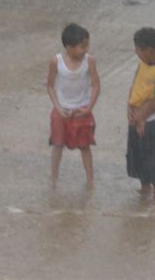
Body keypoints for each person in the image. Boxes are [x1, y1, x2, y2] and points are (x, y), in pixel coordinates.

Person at [47, 23, 100, 187]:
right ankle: (54, 178)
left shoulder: (89, 60)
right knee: (57, 145)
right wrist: (58, 107)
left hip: (82, 110)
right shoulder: (56, 61)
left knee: (85, 146)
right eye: (81, 46)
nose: (84, 50)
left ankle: (90, 180)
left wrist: (89, 108)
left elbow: (96, 85)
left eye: (86, 45)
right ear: (69, 47)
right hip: (61, 110)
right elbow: (50, 86)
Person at [126, 27, 155, 198]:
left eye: (138, 49)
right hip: (136, 115)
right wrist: (130, 108)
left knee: (152, 158)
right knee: (136, 155)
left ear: (150, 51)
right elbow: (135, 85)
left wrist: (142, 118)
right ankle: (145, 189)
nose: (136, 52)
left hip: (152, 120)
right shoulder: (143, 63)